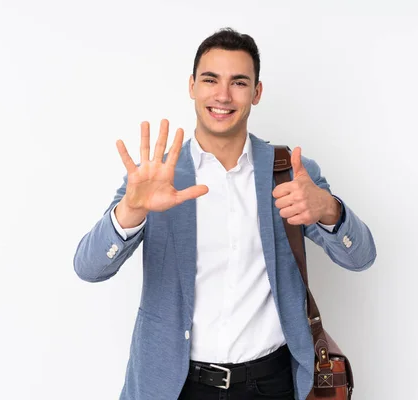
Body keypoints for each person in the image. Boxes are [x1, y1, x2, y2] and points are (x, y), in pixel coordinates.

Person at [73, 27, 376, 400]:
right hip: (174, 385)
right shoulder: (157, 177)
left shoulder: (289, 172)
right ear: (192, 86)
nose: (222, 95)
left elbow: (361, 257)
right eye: (210, 79)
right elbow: (89, 268)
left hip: (270, 384)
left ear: (256, 92)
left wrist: (329, 209)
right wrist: (130, 210)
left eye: (238, 82)